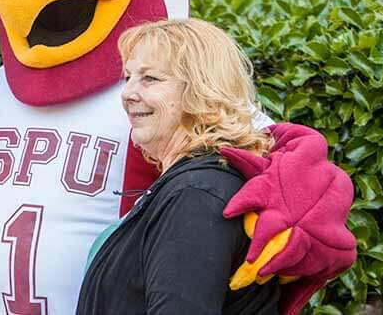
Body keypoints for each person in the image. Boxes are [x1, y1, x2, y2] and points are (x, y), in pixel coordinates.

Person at [77, 19, 282, 314]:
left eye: (150, 79)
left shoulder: (197, 195)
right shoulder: (192, 183)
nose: (127, 93)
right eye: (128, 77)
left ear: (201, 91)